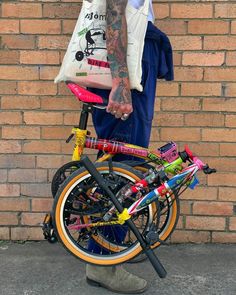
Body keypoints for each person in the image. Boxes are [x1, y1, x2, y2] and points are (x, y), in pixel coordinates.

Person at [85, 0, 174, 293]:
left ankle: (107, 249)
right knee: (123, 167)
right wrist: (121, 81)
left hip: (130, 56)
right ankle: (103, 263)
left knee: (122, 162)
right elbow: (113, 10)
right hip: (128, 61)